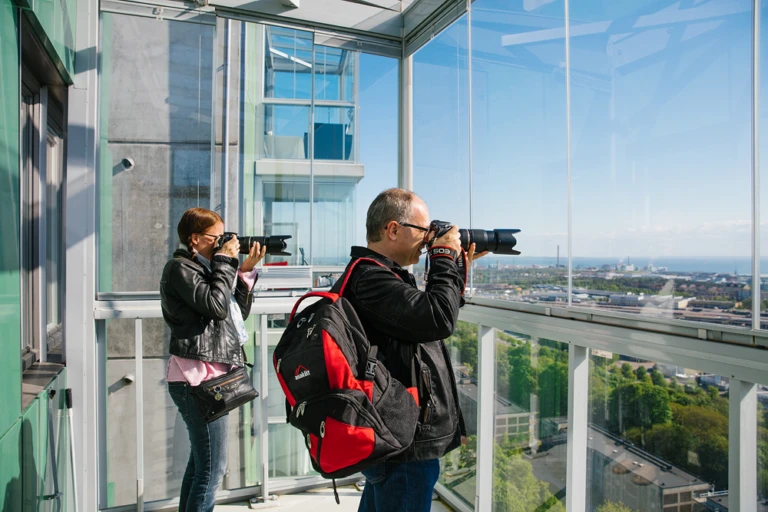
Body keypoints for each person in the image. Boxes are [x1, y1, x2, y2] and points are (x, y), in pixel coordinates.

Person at [341, 188, 486, 512]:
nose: (427, 240)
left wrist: (454, 263)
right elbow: (438, 319)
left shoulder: (374, 275)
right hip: (403, 443)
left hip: (391, 432)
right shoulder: (371, 279)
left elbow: (425, 316)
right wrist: (444, 256)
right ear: (393, 229)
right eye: (424, 231)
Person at [159, 207, 266, 512]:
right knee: (212, 471)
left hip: (210, 379)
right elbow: (215, 306)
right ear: (194, 239)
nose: (222, 243)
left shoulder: (203, 269)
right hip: (197, 381)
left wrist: (243, 270)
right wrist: (224, 262)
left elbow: (233, 315)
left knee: (200, 467)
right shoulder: (180, 269)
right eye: (215, 238)